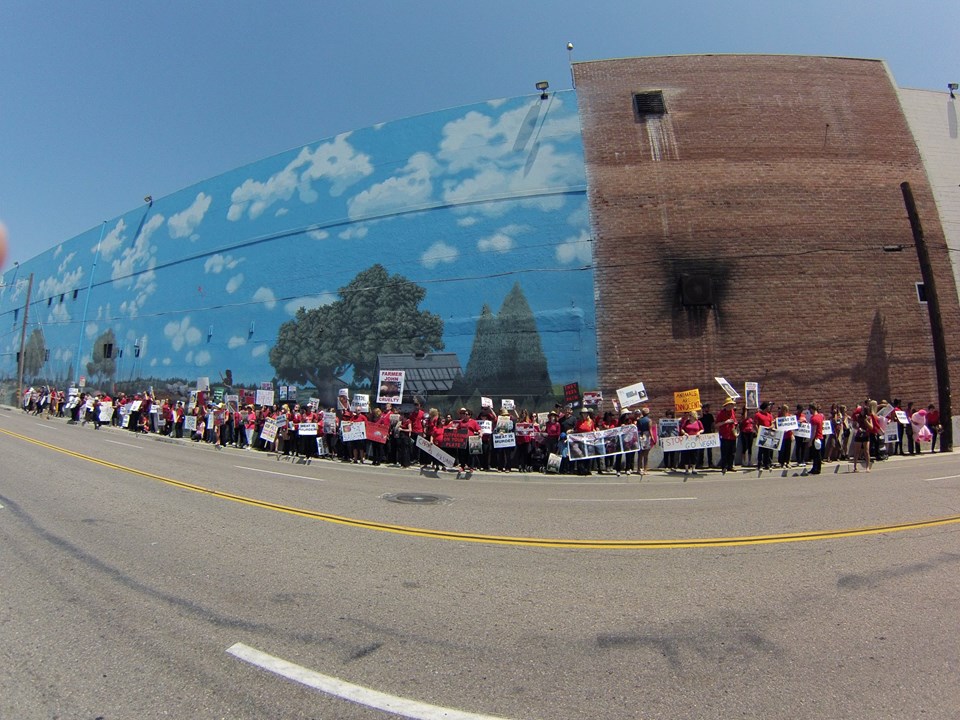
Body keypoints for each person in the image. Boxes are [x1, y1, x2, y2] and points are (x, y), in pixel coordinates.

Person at [715, 397, 738, 474]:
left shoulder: (732, 412)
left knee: (732, 452)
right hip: (724, 435)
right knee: (725, 452)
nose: (732, 406)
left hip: (732, 435)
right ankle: (724, 466)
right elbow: (717, 425)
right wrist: (726, 422)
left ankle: (730, 466)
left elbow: (735, 421)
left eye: (732, 405)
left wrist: (735, 424)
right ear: (726, 405)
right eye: (730, 405)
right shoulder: (721, 414)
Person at [679, 409, 703, 476]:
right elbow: (682, 429)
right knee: (686, 454)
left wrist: (699, 432)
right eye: (689, 415)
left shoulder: (698, 422)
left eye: (691, 415)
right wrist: (685, 433)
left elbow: (702, 429)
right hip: (687, 440)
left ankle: (693, 468)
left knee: (694, 454)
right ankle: (686, 469)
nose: (690, 416)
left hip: (695, 440)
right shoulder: (686, 422)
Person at [753, 402, 775, 470]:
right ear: (765, 407)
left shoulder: (769, 415)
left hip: (768, 434)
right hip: (761, 434)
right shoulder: (758, 414)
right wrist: (758, 431)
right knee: (761, 450)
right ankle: (760, 464)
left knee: (767, 450)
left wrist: (771, 427)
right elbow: (755, 424)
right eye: (768, 406)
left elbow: (772, 424)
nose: (769, 407)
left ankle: (767, 464)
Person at [636, 407, 654, 476]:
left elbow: (638, 428)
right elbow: (650, 430)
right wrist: (652, 437)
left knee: (640, 454)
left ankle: (638, 469)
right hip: (646, 436)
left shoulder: (639, 420)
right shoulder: (649, 420)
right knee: (646, 455)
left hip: (640, 435)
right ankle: (645, 469)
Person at [807, 403, 824, 475]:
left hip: (816, 438)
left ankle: (816, 469)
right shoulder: (820, 416)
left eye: (810, 409)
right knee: (818, 454)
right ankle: (817, 468)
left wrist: (810, 441)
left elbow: (813, 431)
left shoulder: (814, 418)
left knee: (815, 455)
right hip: (820, 437)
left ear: (812, 409)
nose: (809, 411)